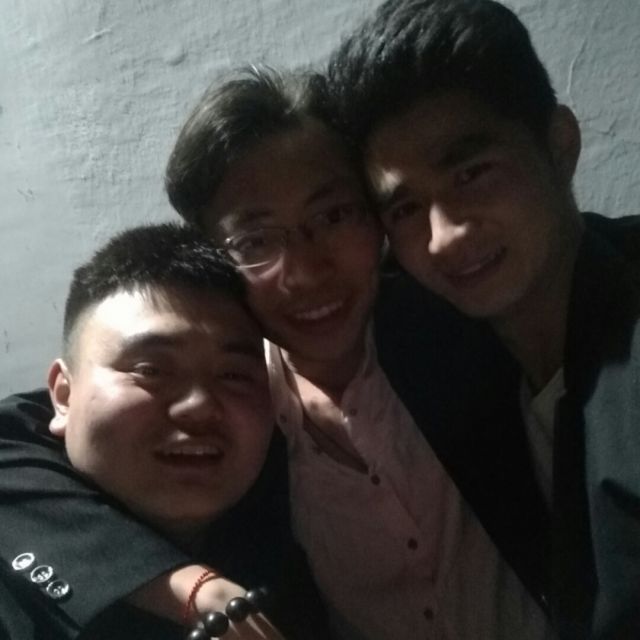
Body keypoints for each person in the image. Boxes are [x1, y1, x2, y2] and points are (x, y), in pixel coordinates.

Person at [0, 69, 552, 640]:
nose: (307, 272)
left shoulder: (457, 314)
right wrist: (188, 587)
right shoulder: (241, 403)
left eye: (334, 216)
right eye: (255, 241)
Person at [326, 0, 640, 637]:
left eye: (471, 173)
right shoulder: (432, 336)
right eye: (406, 209)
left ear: (560, 144)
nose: (445, 237)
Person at [0, 223, 327, 639]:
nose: (199, 406)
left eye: (233, 374)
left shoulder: (297, 514)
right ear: (63, 395)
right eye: (150, 370)